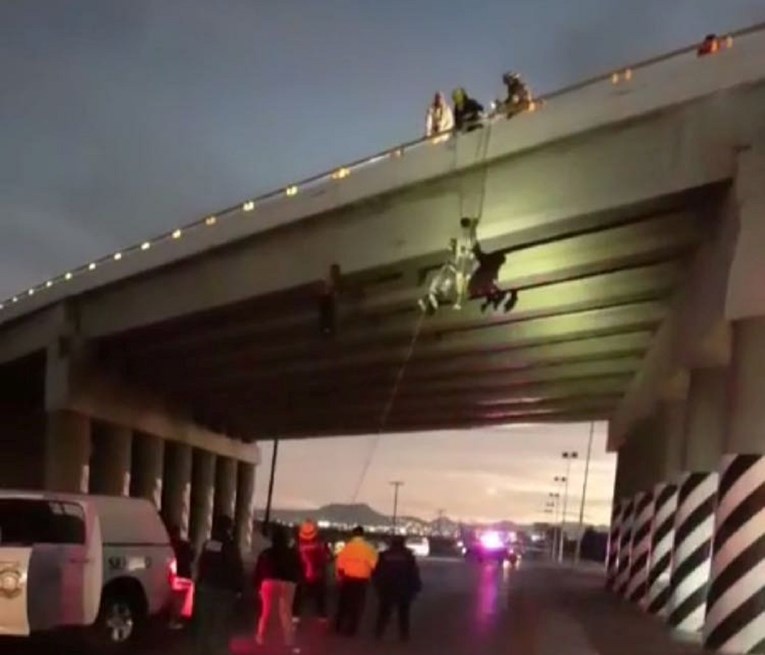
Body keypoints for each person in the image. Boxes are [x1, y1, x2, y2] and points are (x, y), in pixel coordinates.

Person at [194, 515, 244, 655]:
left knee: (205, 624)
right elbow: (236, 568)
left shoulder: (209, 544)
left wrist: (199, 583)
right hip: (223, 590)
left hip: (207, 588)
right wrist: (239, 589)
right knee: (219, 625)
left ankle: (202, 650)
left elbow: (202, 564)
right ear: (228, 528)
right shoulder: (230, 546)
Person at [252, 524, 302, 651]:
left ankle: (261, 637)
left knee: (266, 612)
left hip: (268, 583)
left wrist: (257, 585)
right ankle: (288, 640)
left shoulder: (266, 553)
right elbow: (298, 570)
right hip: (288, 584)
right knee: (286, 613)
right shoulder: (292, 554)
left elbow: (258, 570)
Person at [418, 217, 479, 314]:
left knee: (466, 246)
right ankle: (471, 227)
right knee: (468, 247)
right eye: (425, 302)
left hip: (454, 264)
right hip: (459, 267)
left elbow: (441, 275)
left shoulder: (434, 289)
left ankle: (470, 228)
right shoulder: (442, 292)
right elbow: (450, 279)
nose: (423, 299)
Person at [373, 536, 422, 642]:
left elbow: (377, 573)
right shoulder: (408, 556)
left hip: (387, 589)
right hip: (403, 589)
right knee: (403, 614)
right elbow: (413, 573)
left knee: (384, 612)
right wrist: (416, 587)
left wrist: (378, 586)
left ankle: (378, 633)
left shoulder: (384, 555)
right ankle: (404, 636)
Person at [334, 526, 378, 636]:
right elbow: (374, 565)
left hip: (347, 579)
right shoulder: (369, 549)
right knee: (357, 605)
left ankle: (337, 626)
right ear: (363, 535)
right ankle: (351, 629)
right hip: (361, 580)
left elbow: (339, 565)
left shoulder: (347, 547)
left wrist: (339, 578)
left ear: (353, 534)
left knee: (343, 604)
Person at [295, 520, 331, 621]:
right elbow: (326, 558)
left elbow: (294, 559)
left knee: (299, 597)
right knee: (320, 598)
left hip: (302, 575)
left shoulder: (298, 545)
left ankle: (295, 617)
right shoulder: (321, 545)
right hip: (317, 575)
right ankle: (322, 618)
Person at [168, 525, 194, 627]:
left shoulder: (170, 545)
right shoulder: (185, 545)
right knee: (180, 600)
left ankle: (173, 618)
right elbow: (192, 556)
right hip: (183, 575)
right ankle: (176, 619)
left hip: (173, 575)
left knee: (174, 599)